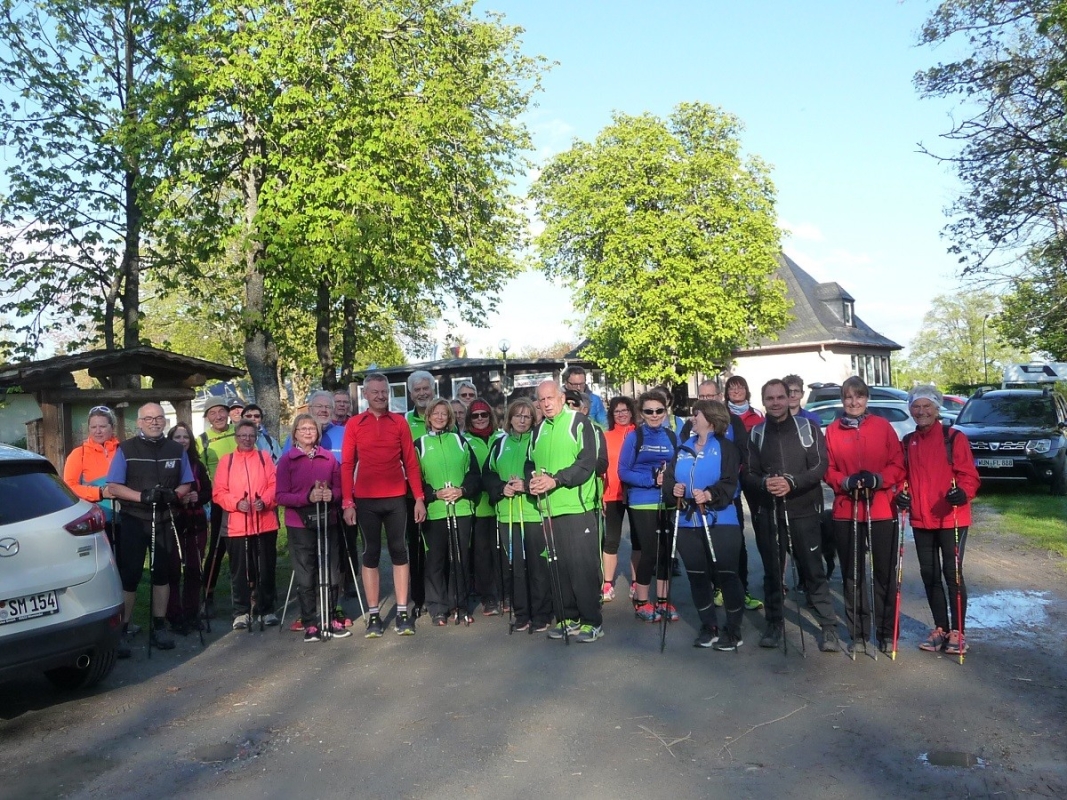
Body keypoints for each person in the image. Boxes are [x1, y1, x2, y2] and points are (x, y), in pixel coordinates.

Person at [745, 379, 839, 652]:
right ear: (764, 402)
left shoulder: (808, 427)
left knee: (813, 569)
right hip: (770, 511)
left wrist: (792, 482)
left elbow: (821, 465)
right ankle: (774, 625)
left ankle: (829, 628)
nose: (775, 402)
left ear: (789, 399)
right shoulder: (757, 433)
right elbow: (748, 473)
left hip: (804, 510)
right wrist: (765, 483)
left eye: (780, 397)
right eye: (770, 398)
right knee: (773, 572)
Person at [896, 385, 980, 656]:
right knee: (929, 574)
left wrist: (963, 492)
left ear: (936, 408)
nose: (921, 412)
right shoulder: (908, 442)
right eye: (916, 407)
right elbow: (901, 477)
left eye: (927, 406)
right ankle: (940, 628)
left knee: (952, 575)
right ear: (910, 409)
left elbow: (969, 475)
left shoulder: (953, 438)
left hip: (951, 517)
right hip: (921, 519)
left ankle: (958, 631)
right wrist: (901, 495)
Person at [824, 377, 906, 654]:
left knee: (883, 573)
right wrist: (844, 482)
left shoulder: (882, 426)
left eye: (859, 397)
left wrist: (879, 479)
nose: (853, 402)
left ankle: (885, 632)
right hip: (848, 511)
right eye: (848, 397)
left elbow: (898, 463)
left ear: (867, 399)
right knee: (853, 575)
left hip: (881, 509)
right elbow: (828, 468)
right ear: (842, 400)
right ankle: (857, 633)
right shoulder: (833, 430)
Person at [342, 372, 427, 637]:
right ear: (365, 394)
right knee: (370, 554)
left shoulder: (400, 422)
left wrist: (419, 499)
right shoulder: (355, 423)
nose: (380, 396)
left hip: (395, 498)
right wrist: (348, 502)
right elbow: (347, 465)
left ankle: (402, 611)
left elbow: (411, 463)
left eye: (384, 392)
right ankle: (374, 615)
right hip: (365, 499)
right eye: (375, 392)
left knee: (400, 551)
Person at [106, 402, 193, 655]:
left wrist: (174, 495)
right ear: (139, 422)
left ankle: (159, 626)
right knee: (130, 575)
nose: (154, 422)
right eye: (148, 418)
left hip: (165, 517)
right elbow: (114, 485)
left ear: (165, 421)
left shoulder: (176, 449)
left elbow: (187, 481)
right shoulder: (126, 448)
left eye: (158, 418)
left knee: (162, 574)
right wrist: (141, 496)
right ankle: (122, 630)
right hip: (135, 518)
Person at [527, 380, 604, 642]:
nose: (546, 404)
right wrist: (532, 481)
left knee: (581, 568)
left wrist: (556, 479)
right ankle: (567, 617)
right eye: (541, 400)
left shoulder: (579, 423)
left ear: (561, 398)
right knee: (558, 568)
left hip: (576, 508)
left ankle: (592, 621)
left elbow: (587, 463)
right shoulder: (537, 431)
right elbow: (530, 462)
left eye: (550, 398)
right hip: (548, 510)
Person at [665, 399, 745, 650]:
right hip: (689, 522)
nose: (692, 418)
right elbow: (669, 480)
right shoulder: (683, 448)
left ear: (710, 419)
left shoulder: (726, 447)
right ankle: (708, 625)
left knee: (727, 575)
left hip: (720, 520)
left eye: (696, 414)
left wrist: (710, 494)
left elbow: (730, 482)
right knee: (697, 577)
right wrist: (674, 489)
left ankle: (733, 630)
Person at [681, 380, 762, 611]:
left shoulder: (733, 421)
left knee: (735, 547)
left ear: (719, 396)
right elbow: (682, 457)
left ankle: (741, 590)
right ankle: (716, 589)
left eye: (711, 396)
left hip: (727, 495)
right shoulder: (690, 425)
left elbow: (742, 456)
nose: (706, 401)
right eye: (702, 397)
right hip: (697, 497)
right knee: (705, 546)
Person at [275, 413, 351, 641]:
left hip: (328, 520)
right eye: (303, 429)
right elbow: (280, 496)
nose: (308, 432)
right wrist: (307, 496)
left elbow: (340, 490)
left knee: (331, 571)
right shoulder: (287, 460)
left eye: (312, 429)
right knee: (306, 573)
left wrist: (331, 494)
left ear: (318, 433)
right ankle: (309, 621)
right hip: (299, 523)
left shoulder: (328, 459)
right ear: (295, 434)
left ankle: (329, 615)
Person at [484, 398, 553, 632]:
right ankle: (522, 613)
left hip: (534, 513)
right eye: (517, 416)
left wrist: (527, 484)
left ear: (533, 419)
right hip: (508, 514)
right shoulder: (499, 444)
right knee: (516, 567)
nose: (522, 420)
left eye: (527, 416)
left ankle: (541, 614)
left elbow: (543, 469)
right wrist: (501, 487)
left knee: (538, 567)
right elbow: (488, 474)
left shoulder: (538, 440)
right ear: (510, 419)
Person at [414, 399, 481, 625]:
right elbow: (414, 481)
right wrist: (434, 494)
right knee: (435, 560)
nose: (440, 417)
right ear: (429, 417)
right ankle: (438, 608)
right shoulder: (420, 444)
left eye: (444, 414)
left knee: (460, 558)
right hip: (434, 511)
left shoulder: (460, 441)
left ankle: (460, 605)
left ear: (450, 417)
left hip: (460, 509)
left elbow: (474, 474)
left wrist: (462, 491)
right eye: (436, 413)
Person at [618, 391, 679, 623]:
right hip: (642, 501)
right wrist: (652, 479)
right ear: (641, 414)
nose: (654, 415)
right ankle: (642, 601)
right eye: (649, 411)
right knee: (650, 552)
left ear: (665, 411)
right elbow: (623, 471)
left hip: (667, 501)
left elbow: (680, 464)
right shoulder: (635, 437)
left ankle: (663, 600)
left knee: (666, 553)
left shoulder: (672, 437)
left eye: (659, 411)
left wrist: (673, 481)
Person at [213, 420, 280, 629]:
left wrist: (265, 501)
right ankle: (241, 612)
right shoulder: (227, 461)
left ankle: (266, 609)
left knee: (265, 568)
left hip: (265, 522)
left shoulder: (264, 457)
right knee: (240, 570)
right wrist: (235, 503)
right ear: (236, 437)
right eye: (242, 435)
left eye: (251, 435)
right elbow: (218, 492)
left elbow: (274, 485)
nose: (247, 439)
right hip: (237, 525)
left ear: (256, 437)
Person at [166, 422, 211, 635]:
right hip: (174, 522)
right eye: (177, 437)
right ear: (170, 440)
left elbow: (208, 492)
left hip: (196, 522)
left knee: (194, 569)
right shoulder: (165, 464)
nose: (182, 441)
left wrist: (197, 497)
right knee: (173, 570)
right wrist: (179, 500)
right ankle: (174, 615)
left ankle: (192, 613)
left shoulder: (197, 466)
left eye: (185, 437)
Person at [464, 398, 506, 615]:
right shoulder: (464, 440)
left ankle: (506, 594)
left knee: (503, 552)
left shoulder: (502, 437)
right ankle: (488, 597)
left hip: (501, 504)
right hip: (479, 506)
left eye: (484, 415)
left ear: (491, 415)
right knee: (482, 554)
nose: (480, 419)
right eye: (475, 415)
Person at [198, 397, 238, 619]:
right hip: (219, 502)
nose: (218, 416)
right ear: (207, 417)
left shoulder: (240, 432)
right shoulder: (202, 440)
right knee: (216, 548)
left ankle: (246, 595)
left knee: (242, 548)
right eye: (212, 413)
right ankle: (207, 595)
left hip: (244, 498)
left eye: (221, 411)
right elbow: (202, 473)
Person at [63, 405, 121, 547]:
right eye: (93, 427)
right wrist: (100, 492)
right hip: (96, 519)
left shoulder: (123, 451)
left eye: (102, 426)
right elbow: (69, 487)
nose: (98, 431)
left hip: (126, 518)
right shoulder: (79, 454)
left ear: (112, 427)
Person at [404, 370, 436, 613]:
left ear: (433, 390)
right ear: (411, 394)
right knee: (415, 546)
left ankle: (440, 594)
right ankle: (418, 598)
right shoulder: (404, 421)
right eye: (418, 390)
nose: (422, 393)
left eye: (426, 388)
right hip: (411, 492)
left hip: (439, 491)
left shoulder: (442, 417)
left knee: (437, 546)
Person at [602, 396, 638, 602]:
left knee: (638, 540)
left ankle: (636, 582)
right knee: (611, 540)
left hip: (636, 493)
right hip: (612, 493)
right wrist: (600, 495)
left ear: (632, 412)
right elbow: (601, 469)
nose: (621, 414)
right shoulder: (606, 436)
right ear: (612, 415)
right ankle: (607, 584)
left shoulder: (639, 434)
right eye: (617, 411)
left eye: (625, 410)